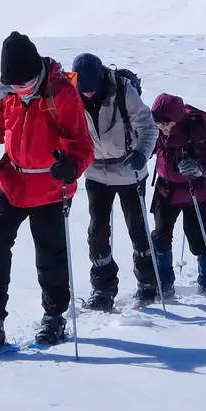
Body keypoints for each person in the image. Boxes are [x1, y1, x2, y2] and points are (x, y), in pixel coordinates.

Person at [0, 32, 94, 350]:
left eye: (25, 84)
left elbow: (81, 142)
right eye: (14, 85)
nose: (20, 90)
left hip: (50, 185)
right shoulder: (5, 91)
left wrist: (71, 165)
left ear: (37, 72)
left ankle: (54, 318)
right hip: (12, 182)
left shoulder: (62, 93)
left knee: (50, 254)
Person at [71, 53, 160, 310]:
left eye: (90, 89)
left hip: (129, 170)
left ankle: (147, 283)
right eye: (82, 89)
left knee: (138, 229)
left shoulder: (123, 90)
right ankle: (102, 289)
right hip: (95, 172)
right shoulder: (73, 95)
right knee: (97, 232)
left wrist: (142, 154)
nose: (87, 94)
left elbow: (148, 126)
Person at [146, 93, 206, 296]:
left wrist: (198, 167)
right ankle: (163, 282)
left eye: (167, 123)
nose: (163, 127)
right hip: (164, 190)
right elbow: (148, 147)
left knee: (198, 239)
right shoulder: (156, 130)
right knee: (160, 237)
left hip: (195, 192)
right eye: (159, 123)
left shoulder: (196, 129)